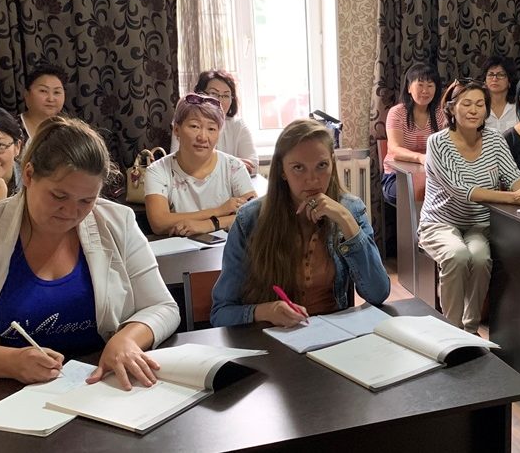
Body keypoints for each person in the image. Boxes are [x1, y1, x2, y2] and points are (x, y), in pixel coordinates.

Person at [0, 116, 180, 389]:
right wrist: (9, 361)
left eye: (86, 200)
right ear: (30, 175)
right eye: (59, 196)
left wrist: (127, 339)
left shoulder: (117, 221)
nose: (71, 213)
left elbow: (162, 306)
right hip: (6, 395)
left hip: (102, 388)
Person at [211, 118, 389, 327]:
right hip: (272, 340)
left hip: (334, 338)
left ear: (332, 163)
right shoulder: (249, 220)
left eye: (322, 165)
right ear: (282, 171)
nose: (312, 179)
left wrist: (347, 222)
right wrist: (266, 311)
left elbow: (378, 293)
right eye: (298, 168)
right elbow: (220, 314)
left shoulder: (351, 210)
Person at [418, 79, 520, 333]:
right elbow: (462, 191)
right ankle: (449, 331)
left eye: (479, 104)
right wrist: (513, 198)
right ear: (451, 109)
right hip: (439, 222)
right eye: (466, 104)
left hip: (478, 223)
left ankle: (471, 329)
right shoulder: (437, 142)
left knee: (480, 258)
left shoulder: (495, 139)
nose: (474, 110)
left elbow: (513, 175)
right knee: (457, 255)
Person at [145, 94, 257, 236]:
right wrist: (219, 211)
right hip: (179, 252)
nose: (203, 137)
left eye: (211, 129)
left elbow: (254, 215)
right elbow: (159, 223)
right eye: (194, 126)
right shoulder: (157, 170)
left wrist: (208, 224)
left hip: (228, 249)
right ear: (176, 129)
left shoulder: (233, 166)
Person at [171, 70, 259, 176]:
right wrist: (229, 165)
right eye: (214, 93)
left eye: (226, 96)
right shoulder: (186, 122)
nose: (220, 101)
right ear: (200, 95)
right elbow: (177, 162)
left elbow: (253, 166)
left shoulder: (238, 125)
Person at [380, 63, 445, 204]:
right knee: (414, 193)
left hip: (430, 175)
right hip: (397, 175)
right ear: (409, 87)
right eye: (420, 85)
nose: (425, 90)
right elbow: (395, 149)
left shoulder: (440, 114)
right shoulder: (397, 112)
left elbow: (446, 147)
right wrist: (421, 157)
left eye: (430, 86)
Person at [18, 63, 67, 146]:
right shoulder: (10, 128)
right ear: (26, 94)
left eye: (57, 92)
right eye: (43, 91)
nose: (51, 99)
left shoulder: (69, 129)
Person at [481, 55, 519, 133]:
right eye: (491, 74)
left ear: (509, 80)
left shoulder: (519, 107)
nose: (494, 79)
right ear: (484, 80)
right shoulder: (479, 106)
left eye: (501, 75)